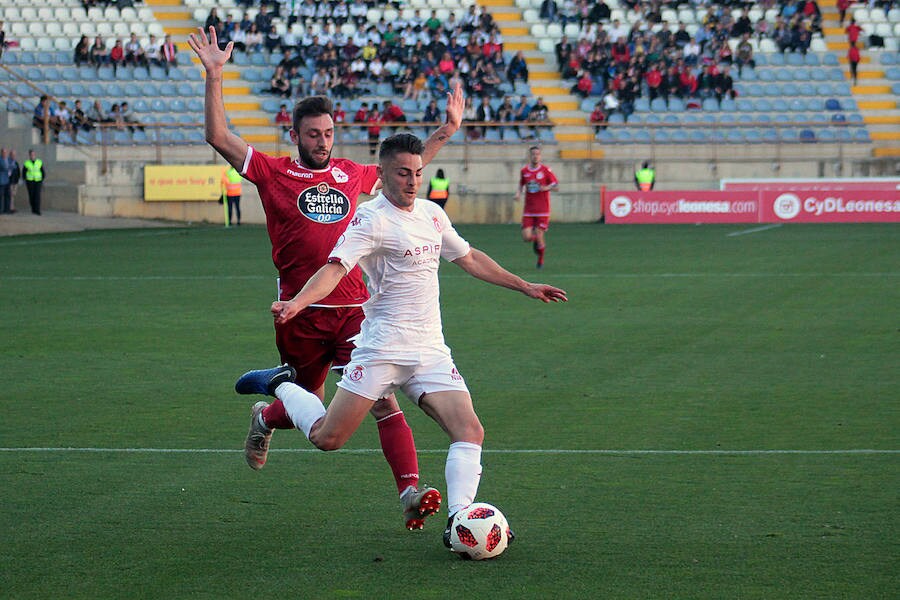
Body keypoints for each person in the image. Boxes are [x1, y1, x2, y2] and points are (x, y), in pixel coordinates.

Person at [188, 25, 464, 530]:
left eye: (329, 133)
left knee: (381, 400)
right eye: (313, 134)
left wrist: (446, 131)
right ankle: (268, 414)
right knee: (310, 406)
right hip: (298, 310)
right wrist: (214, 75)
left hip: (356, 312)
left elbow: (407, 166)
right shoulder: (272, 172)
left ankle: (409, 492)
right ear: (294, 135)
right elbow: (218, 137)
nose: (323, 142)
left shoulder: (351, 175)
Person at [236, 132, 567, 547]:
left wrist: (525, 285)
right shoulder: (370, 219)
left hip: (429, 350)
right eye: (403, 174)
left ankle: (458, 521)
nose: (413, 182)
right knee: (327, 438)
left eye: (417, 173)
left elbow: (469, 257)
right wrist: (298, 302)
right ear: (382, 175)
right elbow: (336, 268)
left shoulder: (431, 214)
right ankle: (278, 384)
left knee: (470, 430)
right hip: (379, 350)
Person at [516, 146, 558, 269]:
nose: (535, 156)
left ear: (540, 156)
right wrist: (518, 193)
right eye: (533, 154)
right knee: (526, 237)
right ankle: (537, 242)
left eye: (537, 154)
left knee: (540, 234)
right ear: (530, 156)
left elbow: (556, 185)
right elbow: (521, 184)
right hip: (529, 209)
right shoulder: (524, 171)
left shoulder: (545, 170)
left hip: (543, 210)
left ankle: (541, 260)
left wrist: (546, 188)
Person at [23, 149, 44, 216]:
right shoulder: (26, 163)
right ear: (29, 155)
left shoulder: (39, 162)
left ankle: (37, 210)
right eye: (31, 155)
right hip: (30, 181)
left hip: (38, 181)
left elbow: (43, 171)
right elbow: (24, 173)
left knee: (37, 196)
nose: (32, 156)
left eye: (33, 154)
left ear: (35, 155)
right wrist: (25, 180)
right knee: (31, 196)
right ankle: (33, 209)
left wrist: (41, 179)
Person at [0, 148, 10, 214]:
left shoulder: (7, 159)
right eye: (3, 152)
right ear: (1, 153)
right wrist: (10, 166)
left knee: (7, 196)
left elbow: (14, 166)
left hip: (7, 181)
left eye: (6, 152)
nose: (5, 154)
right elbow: (4, 167)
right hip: (1, 181)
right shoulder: (0, 160)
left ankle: (6, 210)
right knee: (0, 196)